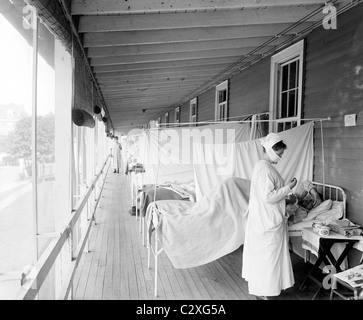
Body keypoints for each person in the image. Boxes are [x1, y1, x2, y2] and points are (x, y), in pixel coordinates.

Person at [242, 132, 297, 299]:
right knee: (267, 258)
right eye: (279, 154)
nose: (281, 157)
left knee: (266, 257)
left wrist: (286, 199)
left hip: (264, 218)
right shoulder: (264, 168)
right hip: (266, 221)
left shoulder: (264, 167)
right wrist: (289, 187)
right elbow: (268, 197)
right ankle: (264, 290)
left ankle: (265, 289)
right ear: (271, 151)